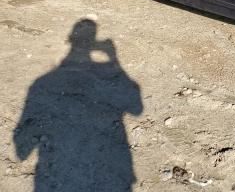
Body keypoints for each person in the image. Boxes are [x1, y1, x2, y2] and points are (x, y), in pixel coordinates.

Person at [13, 19, 143, 191]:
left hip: (58, 175)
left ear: (70, 40)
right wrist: (113, 58)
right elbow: (136, 108)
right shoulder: (44, 83)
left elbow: (21, 150)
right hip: (107, 172)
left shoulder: (42, 83)